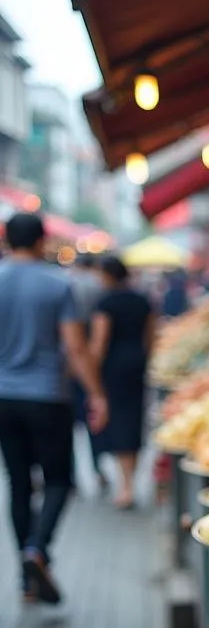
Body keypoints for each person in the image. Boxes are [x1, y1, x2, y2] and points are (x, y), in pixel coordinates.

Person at [0, 213, 108, 603]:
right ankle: (38, 549)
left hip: (5, 399)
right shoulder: (56, 285)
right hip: (48, 396)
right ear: (42, 240)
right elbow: (76, 347)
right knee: (59, 480)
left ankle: (27, 578)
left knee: (17, 483)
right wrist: (96, 393)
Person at [90, 255, 154, 510]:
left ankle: (125, 486)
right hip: (136, 366)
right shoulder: (142, 300)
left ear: (106, 275)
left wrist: (91, 372)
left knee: (119, 424)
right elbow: (151, 336)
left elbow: (99, 342)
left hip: (113, 369)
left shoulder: (105, 303)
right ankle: (129, 483)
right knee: (133, 421)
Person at [68, 252, 108, 492]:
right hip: (92, 363)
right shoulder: (98, 285)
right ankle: (98, 469)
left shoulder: (64, 282)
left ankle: (69, 474)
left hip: (64, 368)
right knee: (94, 421)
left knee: (68, 426)